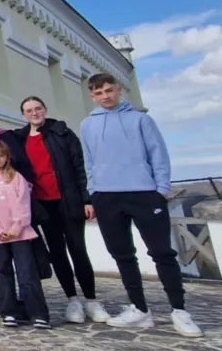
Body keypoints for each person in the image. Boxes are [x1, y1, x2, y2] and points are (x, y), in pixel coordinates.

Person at [81, 73, 202, 337]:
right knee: (122, 254)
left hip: (144, 193)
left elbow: (158, 153)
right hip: (106, 196)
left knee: (161, 252)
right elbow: (88, 161)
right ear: (92, 96)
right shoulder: (88, 125)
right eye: (99, 93)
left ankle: (179, 311)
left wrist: (160, 190)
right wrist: (93, 191)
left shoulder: (141, 120)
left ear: (119, 90)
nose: (105, 96)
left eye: (108, 91)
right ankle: (139, 309)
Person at [15, 96, 110, 324]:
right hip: (43, 204)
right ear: (24, 115)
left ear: (45, 109)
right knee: (57, 254)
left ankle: (92, 300)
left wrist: (87, 199)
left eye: (38, 108)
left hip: (67, 200)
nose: (34, 113)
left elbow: (80, 167)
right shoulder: (20, 139)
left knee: (78, 250)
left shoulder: (62, 133)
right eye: (29, 110)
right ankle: (73, 301)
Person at [0, 139, 50, 329]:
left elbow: (23, 204)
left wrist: (16, 227)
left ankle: (38, 313)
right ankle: (9, 311)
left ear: (7, 158)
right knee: (4, 274)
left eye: (1, 155)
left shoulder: (16, 178)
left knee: (27, 274)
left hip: (20, 234)